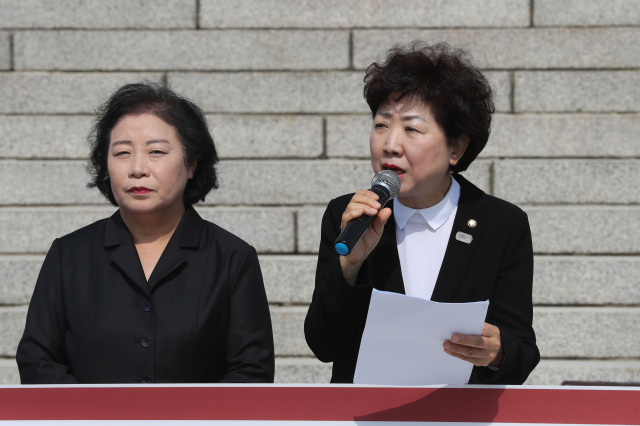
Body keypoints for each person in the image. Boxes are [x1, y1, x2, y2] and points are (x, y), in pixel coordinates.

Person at [304, 42, 539, 385]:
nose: (390, 144)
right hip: (369, 415)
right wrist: (350, 267)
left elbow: (522, 352)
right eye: (382, 125)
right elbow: (324, 344)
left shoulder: (501, 224)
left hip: (460, 417)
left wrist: (497, 352)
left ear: (456, 148)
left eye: (411, 129)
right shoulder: (350, 215)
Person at [17, 82, 274, 384]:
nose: (137, 168)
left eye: (156, 152)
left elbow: (251, 371)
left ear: (191, 163)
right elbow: (38, 361)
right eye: (122, 152)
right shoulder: (68, 255)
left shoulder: (232, 258)